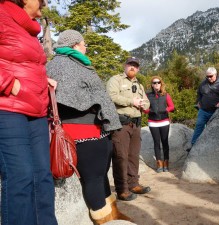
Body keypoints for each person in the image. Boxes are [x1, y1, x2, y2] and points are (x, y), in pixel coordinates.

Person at [46, 30, 131, 224]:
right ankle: (104, 219)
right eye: (84, 44)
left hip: (65, 135)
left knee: (97, 176)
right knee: (94, 177)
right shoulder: (80, 67)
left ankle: (112, 212)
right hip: (88, 133)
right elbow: (100, 99)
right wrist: (111, 122)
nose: (86, 48)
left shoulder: (50, 66)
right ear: (75, 45)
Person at [0, 1, 58, 225]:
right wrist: (10, 85)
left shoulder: (29, 29)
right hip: (8, 109)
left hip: (36, 110)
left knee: (43, 176)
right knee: (21, 176)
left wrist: (43, 81)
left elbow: (24, 63)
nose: (44, 2)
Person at [106, 57, 151, 201]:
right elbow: (111, 96)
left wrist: (145, 105)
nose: (133, 67)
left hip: (136, 124)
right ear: (125, 66)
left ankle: (133, 184)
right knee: (121, 157)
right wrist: (132, 101)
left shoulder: (140, 85)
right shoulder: (116, 80)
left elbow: (147, 102)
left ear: (138, 69)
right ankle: (122, 189)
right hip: (121, 125)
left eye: (135, 66)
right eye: (130, 65)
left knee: (133, 156)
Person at [191, 67, 219, 146]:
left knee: (215, 129)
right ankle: (193, 145)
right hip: (203, 110)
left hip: (216, 112)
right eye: (207, 76)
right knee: (199, 125)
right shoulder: (203, 84)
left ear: (215, 75)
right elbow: (199, 94)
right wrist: (198, 102)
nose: (209, 78)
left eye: (211, 76)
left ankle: (215, 146)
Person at [144, 76, 175, 173]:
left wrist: (165, 110)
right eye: (154, 83)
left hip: (164, 121)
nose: (156, 84)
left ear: (161, 84)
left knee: (165, 142)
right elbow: (144, 109)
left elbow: (172, 106)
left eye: (158, 82)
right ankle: (159, 164)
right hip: (153, 122)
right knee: (156, 143)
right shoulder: (147, 95)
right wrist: (150, 111)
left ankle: (166, 163)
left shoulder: (166, 95)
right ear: (152, 85)